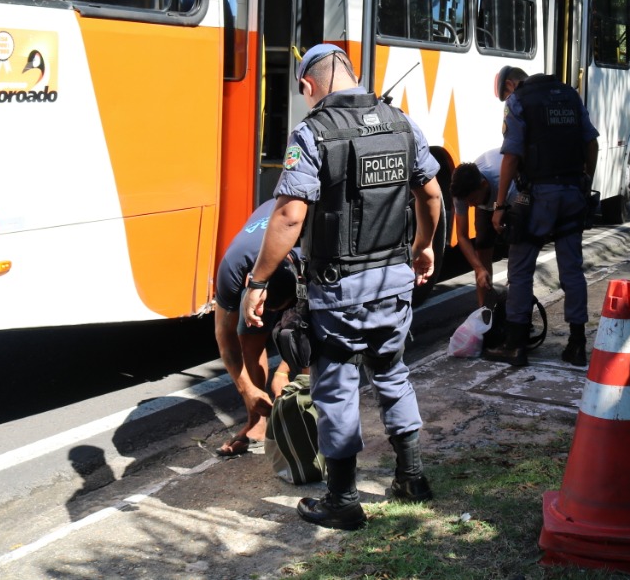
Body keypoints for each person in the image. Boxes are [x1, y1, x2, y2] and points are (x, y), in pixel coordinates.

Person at [241, 43, 442, 531]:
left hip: (339, 292)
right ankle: (411, 477)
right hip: (394, 284)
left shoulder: (311, 133)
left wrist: (258, 281)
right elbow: (431, 192)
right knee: (393, 374)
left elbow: (290, 214)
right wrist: (424, 245)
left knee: (337, 390)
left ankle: (343, 500)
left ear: (309, 85)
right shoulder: (402, 123)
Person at [485, 65, 599, 368]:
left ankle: (515, 344)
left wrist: (499, 207)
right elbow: (591, 143)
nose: (507, 98)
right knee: (572, 270)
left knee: (520, 269)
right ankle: (577, 345)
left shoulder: (519, 100)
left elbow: (511, 155)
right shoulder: (570, 96)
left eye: (505, 94)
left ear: (510, 84)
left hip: (538, 197)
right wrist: (586, 183)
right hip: (573, 192)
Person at [212, 200, 303, 457]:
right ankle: (257, 422)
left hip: (297, 249)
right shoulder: (232, 266)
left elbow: (318, 328)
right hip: (255, 261)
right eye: (266, 309)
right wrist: (248, 390)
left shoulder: (307, 256)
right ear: (247, 285)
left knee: (304, 343)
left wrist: (284, 371)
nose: (271, 316)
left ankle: (307, 420)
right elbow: (224, 336)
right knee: (248, 340)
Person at [449, 150, 512, 308]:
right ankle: (485, 312)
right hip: (488, 202)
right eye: (467, 201)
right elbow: (462, 236)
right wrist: (479, 268)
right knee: (482, 250)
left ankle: (519, 310)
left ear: (483, 185)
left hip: (509, 199)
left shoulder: (502, 180)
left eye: (472, 200)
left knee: (518, 253)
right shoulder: (461, 193)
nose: (470, 205)